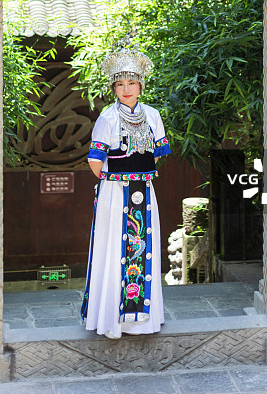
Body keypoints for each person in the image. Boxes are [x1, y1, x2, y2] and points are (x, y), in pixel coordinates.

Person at [81, 48, 171, 339]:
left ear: (140, 85)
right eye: (120, 84)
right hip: (115, 193)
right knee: (113, 249)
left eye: (131, 83)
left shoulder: (154, 116)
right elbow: (96, 162)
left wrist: (137, 176)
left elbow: (157, 154)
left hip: (144, 191)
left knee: (143, 247)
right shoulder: (107, 118)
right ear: (113, 88)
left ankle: (144, 320)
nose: (126, 89)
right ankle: (112, 319)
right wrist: (116, 181)